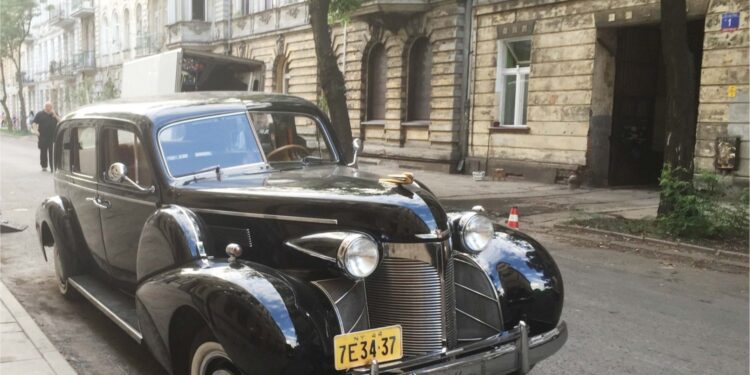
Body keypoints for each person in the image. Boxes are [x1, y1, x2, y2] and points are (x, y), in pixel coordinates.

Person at [32, 102, 60, 172]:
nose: (49, 108)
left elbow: (60, 121)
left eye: (50, 107)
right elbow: (34, 123)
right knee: (43, 151)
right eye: (47, 107)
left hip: (52, 136)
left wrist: (55, 116)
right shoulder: (40, 114)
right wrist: (36, 131)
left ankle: (52, 167)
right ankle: (44, 166)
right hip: (43, 136)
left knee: (52, 152)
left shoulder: (54, 113)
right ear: (45, 107)